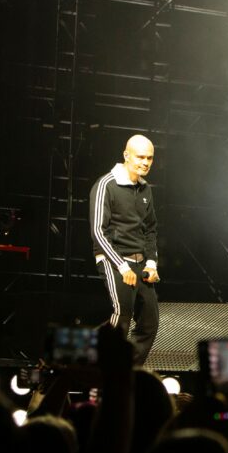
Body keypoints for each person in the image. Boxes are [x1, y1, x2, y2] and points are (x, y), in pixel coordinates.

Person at [89, 134, 160, 367]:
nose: (145, 162)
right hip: (113, 259)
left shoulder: (145, 189)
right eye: (140, 157)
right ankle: (98, 367)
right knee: (122, 315)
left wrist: (151, 263)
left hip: (140, 262)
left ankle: (128, 371)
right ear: (126, 155)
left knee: (150, 322)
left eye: (149, 158)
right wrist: (121, 266)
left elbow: (150, 229)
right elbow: (98, 231)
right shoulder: (106, 185)